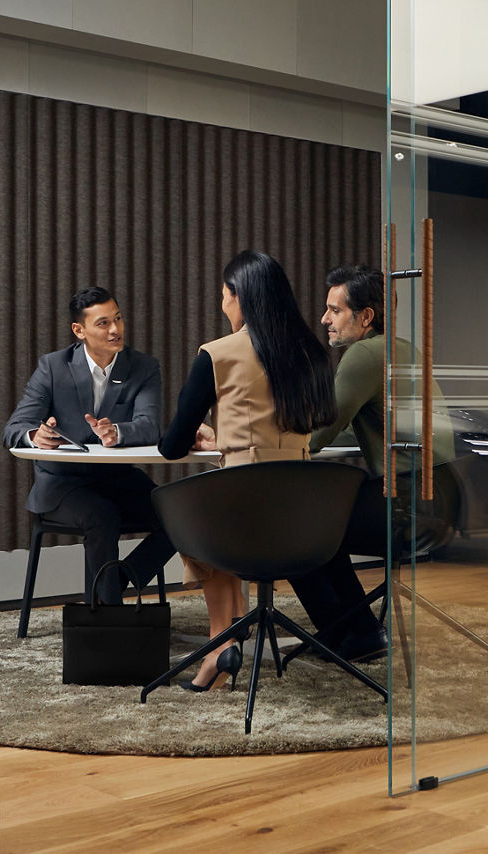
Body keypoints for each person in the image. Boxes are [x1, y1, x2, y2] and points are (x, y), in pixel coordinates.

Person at [158, 250, 385, 691]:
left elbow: (170, 447)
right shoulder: (313, 355)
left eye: (224, 296)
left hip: (246, 524)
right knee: (213, 508)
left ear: (240, 298)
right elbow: (303, 425)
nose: (223, 306)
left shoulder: (217, 354)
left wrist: (210, 437)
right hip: (305, 524)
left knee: (198, 517)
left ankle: (218, 648)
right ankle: (218, 652)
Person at [2, 286, 175, 606]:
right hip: (62, 484)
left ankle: (115, 583)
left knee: (180, 514)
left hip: (119, 481)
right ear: (79, 330)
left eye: (119, 319)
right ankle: (109, 618)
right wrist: (35, 436)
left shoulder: (143, 366)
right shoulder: (53, 367)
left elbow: (150, 426)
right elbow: (14, 428)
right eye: (103, 323)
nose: (115, 330)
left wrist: (118, 433)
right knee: (101, 515)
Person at [307, 265, 455, 637]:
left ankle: (353, 635)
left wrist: (272, 440)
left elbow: (322, 430)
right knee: (320, 524)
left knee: (302, 532)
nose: (325, 319)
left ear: (366, 316)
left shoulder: (365, 356)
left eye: (335, 310)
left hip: (408, 500)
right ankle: (355, 629)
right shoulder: (404, 350)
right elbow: (350, 428)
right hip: (441, 498)